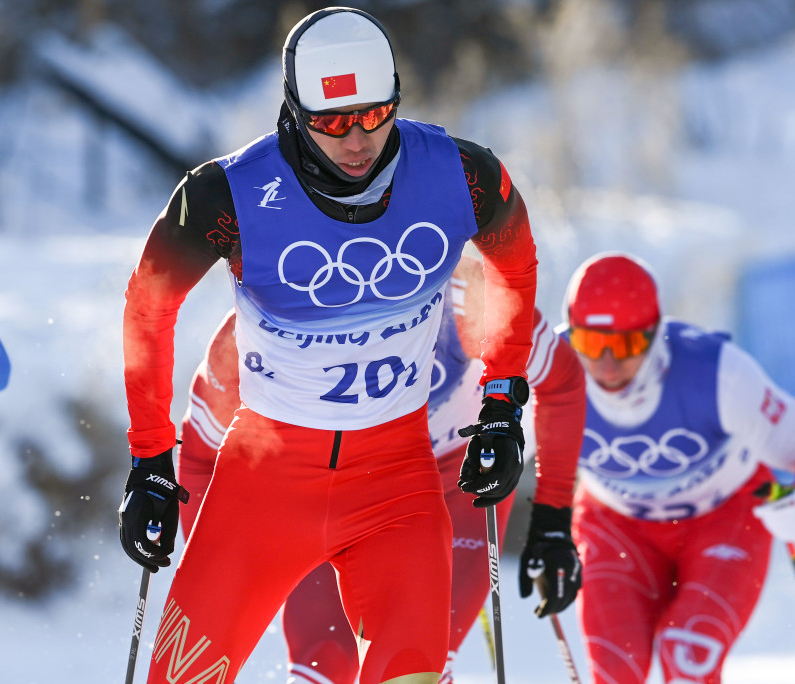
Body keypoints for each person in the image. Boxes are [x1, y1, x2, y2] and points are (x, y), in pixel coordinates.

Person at [117, 8, 539, 684]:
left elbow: (515, 267)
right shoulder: (227, 193)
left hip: (397, 483)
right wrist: (149, 461)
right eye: (334, 122)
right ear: (295, 110)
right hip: (265, 486)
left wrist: (501, 403)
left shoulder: (462, 175)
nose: (358, 139)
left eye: (374, 115)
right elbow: (148, 307)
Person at [176, 255, 587, 683]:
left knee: (417, 661)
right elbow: (201, 455)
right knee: (322, 662)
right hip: (313, 490)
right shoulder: (258, 330)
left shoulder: (472, 298)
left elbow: (563, 382)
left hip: (448, 488)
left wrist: (552, 520)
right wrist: (214, 568)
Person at [561, 252, 795, 684]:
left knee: (688, 656)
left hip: (725, 517)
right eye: (589, 343)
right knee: (614, 669)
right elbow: (480, 442)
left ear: (655, 333)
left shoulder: (717, 372)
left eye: (624, 345)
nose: (606, 363)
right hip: (617, 525)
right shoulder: (548, 370)